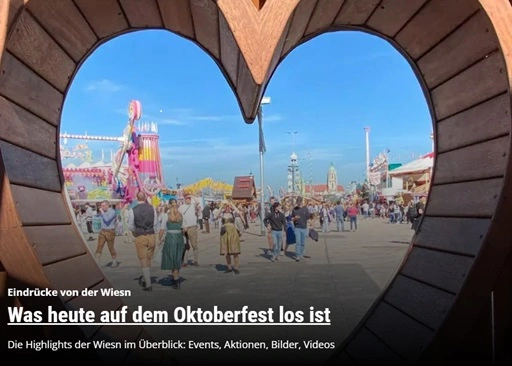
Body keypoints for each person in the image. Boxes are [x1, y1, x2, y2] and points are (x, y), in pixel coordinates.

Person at [128, 192, 158, 291]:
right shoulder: (152, 208)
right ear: (145, 198)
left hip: (140, 235)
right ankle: (146, 278)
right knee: (149, 258)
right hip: (151, 234)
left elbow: (131, 225)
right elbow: (155, 222)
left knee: (143, 259)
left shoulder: (133, 210)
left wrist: (134, 232)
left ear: (137, 198)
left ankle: (148, 284)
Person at [158, 199, 185, 289]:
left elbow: (162, 229)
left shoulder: (166, 215)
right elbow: (184, 229)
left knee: (171, 258)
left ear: (169, 205)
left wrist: (159, 239)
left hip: (170, 237)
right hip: (179, 238)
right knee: (177, 258)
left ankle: (176, 280)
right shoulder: (181, 215)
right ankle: (175, 277)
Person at [217, 202, 242, 274]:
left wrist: (233, 205)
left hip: (233, 232)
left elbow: (239, 212)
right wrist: (221, 207)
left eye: (228, 207)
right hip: (225, 233)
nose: (227, 208)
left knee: (235, 251)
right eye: (226, 207)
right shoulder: (222, 214)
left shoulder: (233, 213)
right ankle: (229, 267)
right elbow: (216, 216)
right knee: (226, 251)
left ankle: (236, 267)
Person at [95, 200, 118, 267]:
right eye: (101, 205)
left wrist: (102, 212)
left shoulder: (112, 211)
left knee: (110, 247)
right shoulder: (103, 212)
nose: (102, 207)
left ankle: (114, 262)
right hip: (102, 231)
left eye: (103, 205)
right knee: (99, 246)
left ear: (108, 205)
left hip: (110, 231)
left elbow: (107, 219)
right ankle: (97, 261)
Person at [179, 195, 200, 266]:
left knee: (194, 244)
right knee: (186, 245)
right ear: (184, 199)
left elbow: (197, 202)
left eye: (189, 199)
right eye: (187, 198)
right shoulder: (181, 207)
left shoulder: (193, 206)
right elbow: (179, 217)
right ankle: (185, 261)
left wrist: (191, 195)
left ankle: (196, 260)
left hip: (192, 227)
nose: (188, 200)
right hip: (184, 228)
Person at [292, 196, 309, 262]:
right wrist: (294, 218)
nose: (298, 203)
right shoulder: (294, 209)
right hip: (297, 227)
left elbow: (308, 217)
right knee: (298, 242)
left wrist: (311, 224)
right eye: (297, 202)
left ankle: (301, 254)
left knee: (303, 242)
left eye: (299, 202)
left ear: (301, 202)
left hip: (304, 227)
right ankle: (298, 255)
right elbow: (292, 218)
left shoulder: (305, 209)